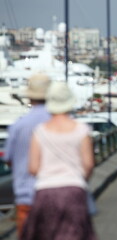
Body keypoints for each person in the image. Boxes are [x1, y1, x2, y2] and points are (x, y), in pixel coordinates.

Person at [21, 82, 97, 240]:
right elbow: (89, 164)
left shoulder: (40, 131)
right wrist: (80, 178)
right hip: (74, 189)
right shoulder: (82, 130)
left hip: (45, 190)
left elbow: (33, 167)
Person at [3, 73, 51, 237]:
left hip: (26, 194)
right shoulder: (60, 122)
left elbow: (8, 159)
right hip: (55, 193)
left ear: (30, 97)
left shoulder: (18, 125)